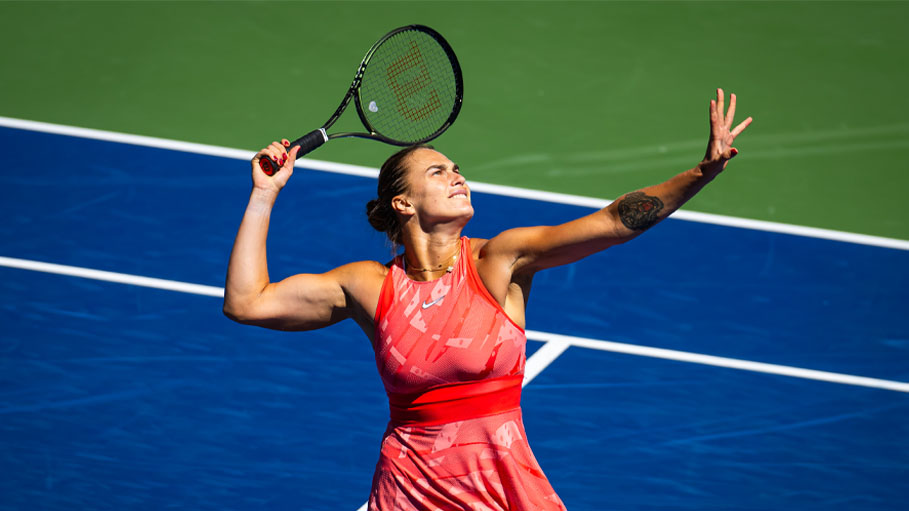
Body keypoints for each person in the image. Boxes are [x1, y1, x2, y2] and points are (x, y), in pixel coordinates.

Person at [223, 89, 752, 510]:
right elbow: (247, 302)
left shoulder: (499, 261)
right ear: (403, 202)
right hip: (408, 495)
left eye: (457, 168)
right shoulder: (370, 285)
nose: (458, 176)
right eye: (439, 171)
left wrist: (701, 172)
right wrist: (264, 194)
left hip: (502, 491)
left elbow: (614, 222)